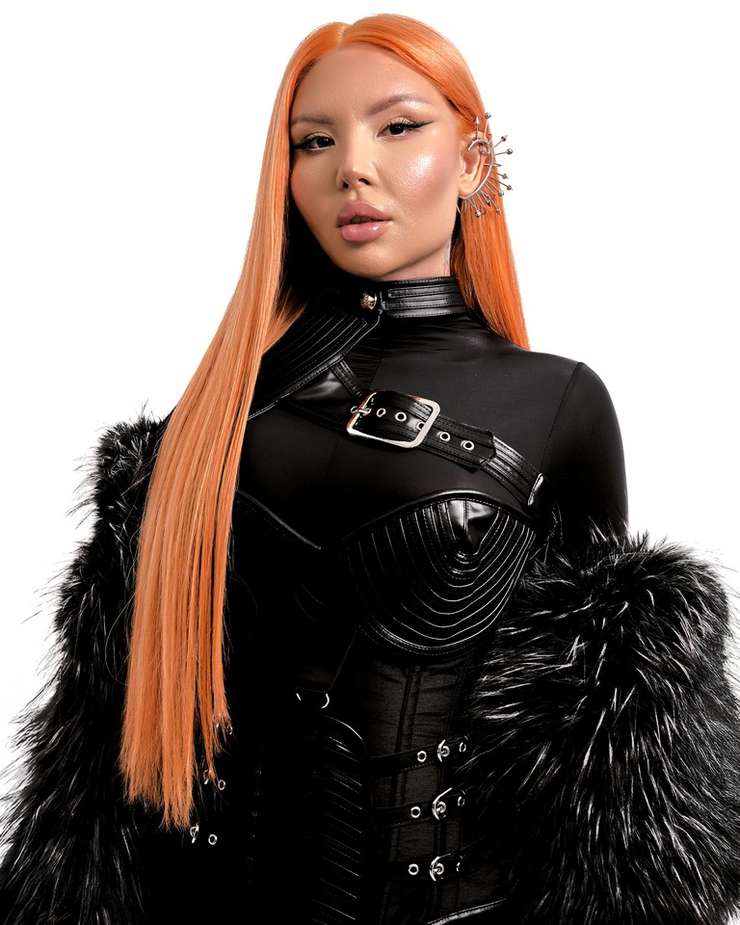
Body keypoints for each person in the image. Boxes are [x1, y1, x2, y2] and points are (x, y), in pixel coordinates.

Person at [2, 13, 740, 925]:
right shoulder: (203, 430)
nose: (352, 167)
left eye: (397, 127)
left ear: (472, 162)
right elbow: (101, 789)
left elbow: (604, 767)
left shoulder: (557, 402)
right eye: (315, 141)